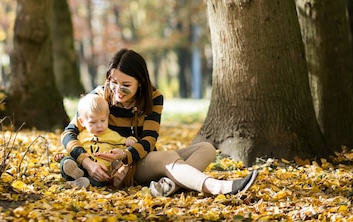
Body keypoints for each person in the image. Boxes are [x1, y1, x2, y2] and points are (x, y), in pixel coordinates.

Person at [61, 48, 259, 196]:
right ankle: (217, 187)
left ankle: (169, 186)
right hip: (120, 168)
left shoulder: (154, 97)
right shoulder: (98, 97)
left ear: (141, 83)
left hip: (138, 157)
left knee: (206, 148)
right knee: (168, 157)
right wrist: (87, 163)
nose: (117, 89)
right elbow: (68, 133)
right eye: (114, 82)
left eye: (126, 85)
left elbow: (149, 140)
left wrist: (126, 153)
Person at [59, 93, 137, 188]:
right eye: (93, 122)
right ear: (82, 122)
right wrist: (60, 156)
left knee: (102, 180)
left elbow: (124, 144)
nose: (99, 125)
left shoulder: (112, 135)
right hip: (80, 165)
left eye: (103, 121)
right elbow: (72, 149)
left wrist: (131, 140)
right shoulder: (81, 136)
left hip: (100, 171)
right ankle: (77, 177)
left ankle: (79, 182)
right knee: (66, 161)